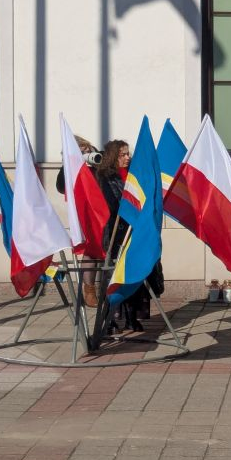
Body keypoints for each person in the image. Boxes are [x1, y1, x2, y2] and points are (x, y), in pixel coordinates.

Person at [96, 139, 142, 332]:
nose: (127, 157)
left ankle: (132, 318)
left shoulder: (132, 174)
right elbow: (111, 205)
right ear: (113, 157)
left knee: (132, 273)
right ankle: (109, 320)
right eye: (123, 154)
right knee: (112, 276)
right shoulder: (105, 176)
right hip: (114, 233)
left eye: (128, 153)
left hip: (131, 231)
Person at [57, 135, 102, 307]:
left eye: (85, 149)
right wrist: (70, 164)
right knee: (91, 249)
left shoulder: (99, 159)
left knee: (107, 249)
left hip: (103, 210)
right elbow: (61, 187)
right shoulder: (70, 167)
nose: (85, 153)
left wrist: (96, 163)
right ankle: (89, 289)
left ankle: (110, 290)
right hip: (84, 212)